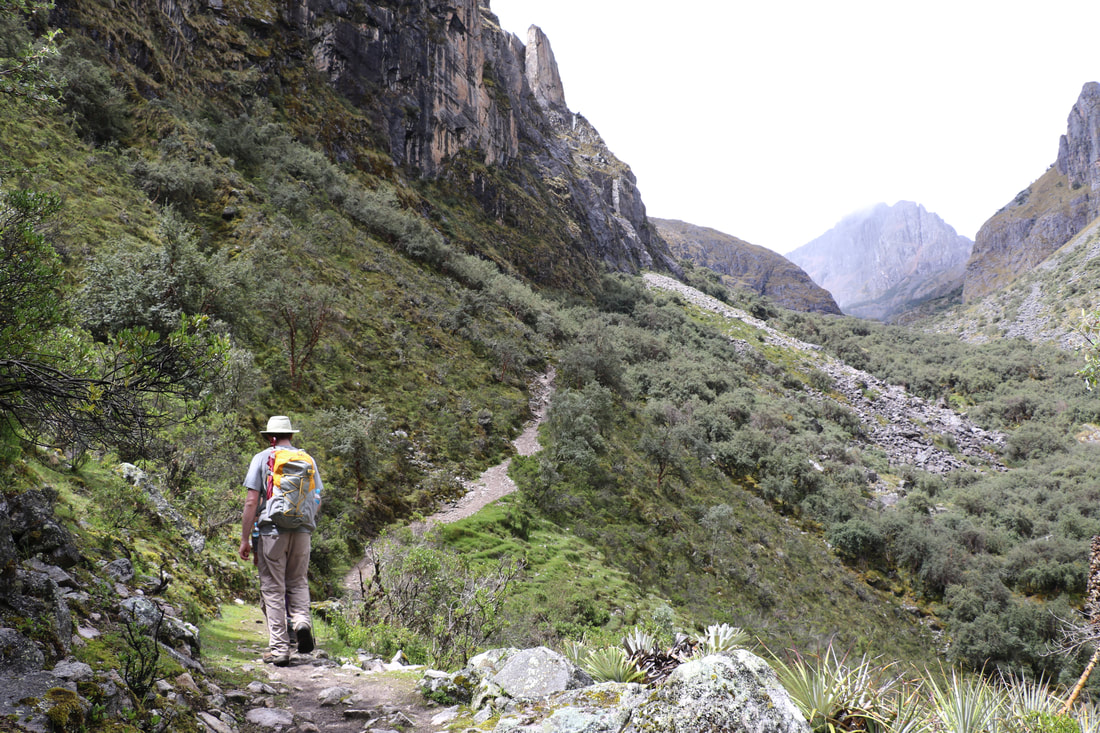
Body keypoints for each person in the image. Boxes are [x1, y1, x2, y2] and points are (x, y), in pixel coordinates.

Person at [238, 415, 323, 666]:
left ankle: (279, 650)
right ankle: (301, 621)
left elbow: (252, 501)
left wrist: (245, 539)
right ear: (291, 436)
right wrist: (304, 523)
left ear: (269, 436)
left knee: (273, 589)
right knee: (297, 581)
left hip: (271, 532)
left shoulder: (262, 458)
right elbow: (316, 497)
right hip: (303, 532)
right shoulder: (307, 459)